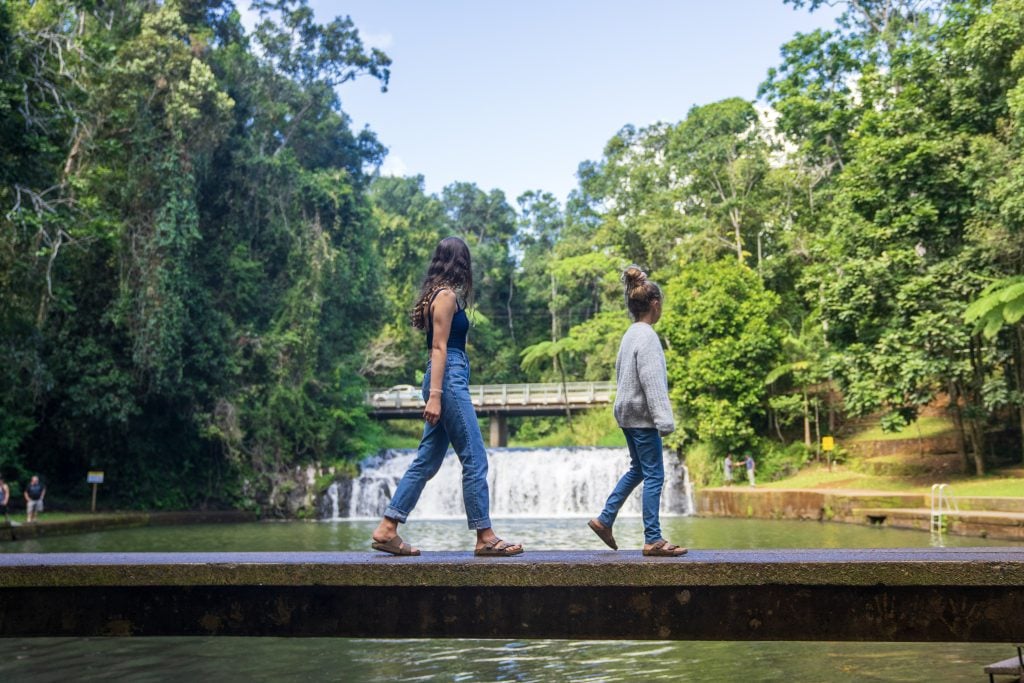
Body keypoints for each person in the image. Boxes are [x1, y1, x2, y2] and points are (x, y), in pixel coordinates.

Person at [371, 236, 523, 557]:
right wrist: (436, 395)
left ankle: (388, 528)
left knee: (427, 459)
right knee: (475, 457)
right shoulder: (446, 296)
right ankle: (485, 536)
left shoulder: (435, 294)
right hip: (448, 377)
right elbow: (440, 348)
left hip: (446, 375)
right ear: (461, 263)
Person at [588, 266, 687, 557]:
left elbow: (622, 373)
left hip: (626, 415)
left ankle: (605, 519)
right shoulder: (648, 337)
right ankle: (653, 539)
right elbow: (652, 381)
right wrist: (664, 421)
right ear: (654, 304)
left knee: (639, 469)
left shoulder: (630, 334)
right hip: (642, 418)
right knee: (655, 474)